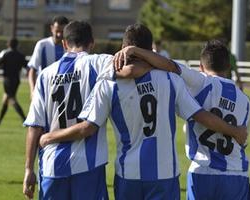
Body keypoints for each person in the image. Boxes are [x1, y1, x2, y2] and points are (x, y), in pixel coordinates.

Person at [38, 24, 247, 200]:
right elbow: (199, 115)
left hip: (128, 174)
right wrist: (234, 130)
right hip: (164, 174)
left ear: (123, 48)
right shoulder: (170, 80)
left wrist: (49, 136)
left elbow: (87, 127)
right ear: (150, 49)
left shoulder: (108, 84)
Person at [23, 21, 172, 200]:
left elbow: (34, 127)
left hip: (52, 165)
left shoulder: (45, 75)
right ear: (91, 43)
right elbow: (133, 69)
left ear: (64, 43)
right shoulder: (97, 63)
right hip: (88, 165)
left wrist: (28, 170)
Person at [172, 40, 250, 200]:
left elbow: (172, 66)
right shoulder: (245, 100)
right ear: (229, 67)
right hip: (236, 173)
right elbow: (242, 139)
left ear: (201, 67)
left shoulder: (200, 84)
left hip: (202, 171)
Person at [27, 15, 69, 99]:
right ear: (52, 28)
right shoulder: (42, 45)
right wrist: (32, 90)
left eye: (62, 31)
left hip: (65, 93)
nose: (59, 34)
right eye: (57, 31)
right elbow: (32, 70)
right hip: (44, 91)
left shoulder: (70, 47)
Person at [0, 38, 27, 127]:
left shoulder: (6, 54)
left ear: (8, 45)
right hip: (16, 80)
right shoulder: (21, 55)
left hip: (7, 80)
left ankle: (24, 119)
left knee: (12, 99)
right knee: (5, 100)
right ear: (17, 45)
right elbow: (27, 66)